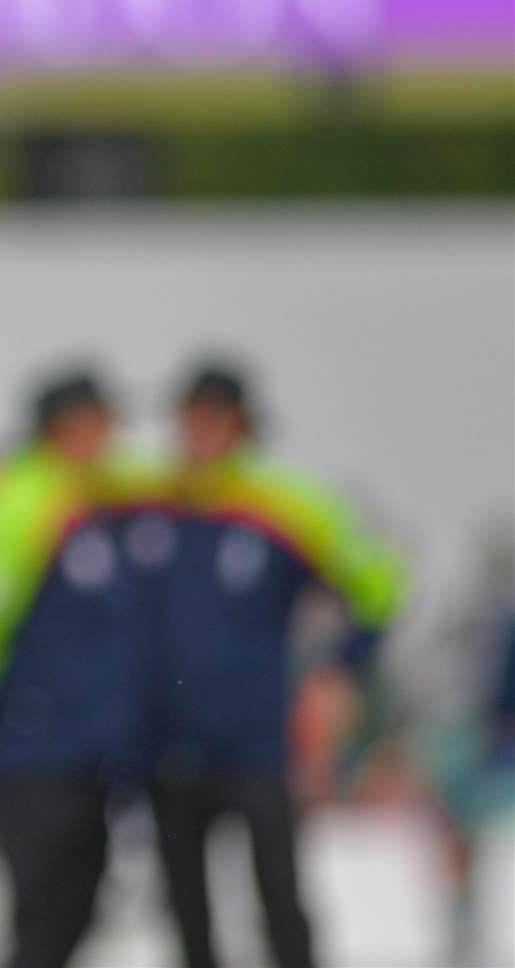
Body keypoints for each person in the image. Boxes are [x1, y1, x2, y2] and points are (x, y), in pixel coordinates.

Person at [144, 360, 407, 968]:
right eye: (191, 417)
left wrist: (338, 672)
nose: (201, 431)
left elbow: (381, 588)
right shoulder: (150, 499)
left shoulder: (285, 501)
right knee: (184, 905)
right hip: (167, 741)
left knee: (279, 893)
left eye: (216, 417)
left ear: (243, 425)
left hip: (258, 738)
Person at [0, 369, 155, 968]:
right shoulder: (31, 496)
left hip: (87, 745)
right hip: (33, 742)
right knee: (42, 905)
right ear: (68, 426)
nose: (111, 436)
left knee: (80, 897)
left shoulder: (90, 496)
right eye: (100, 423)